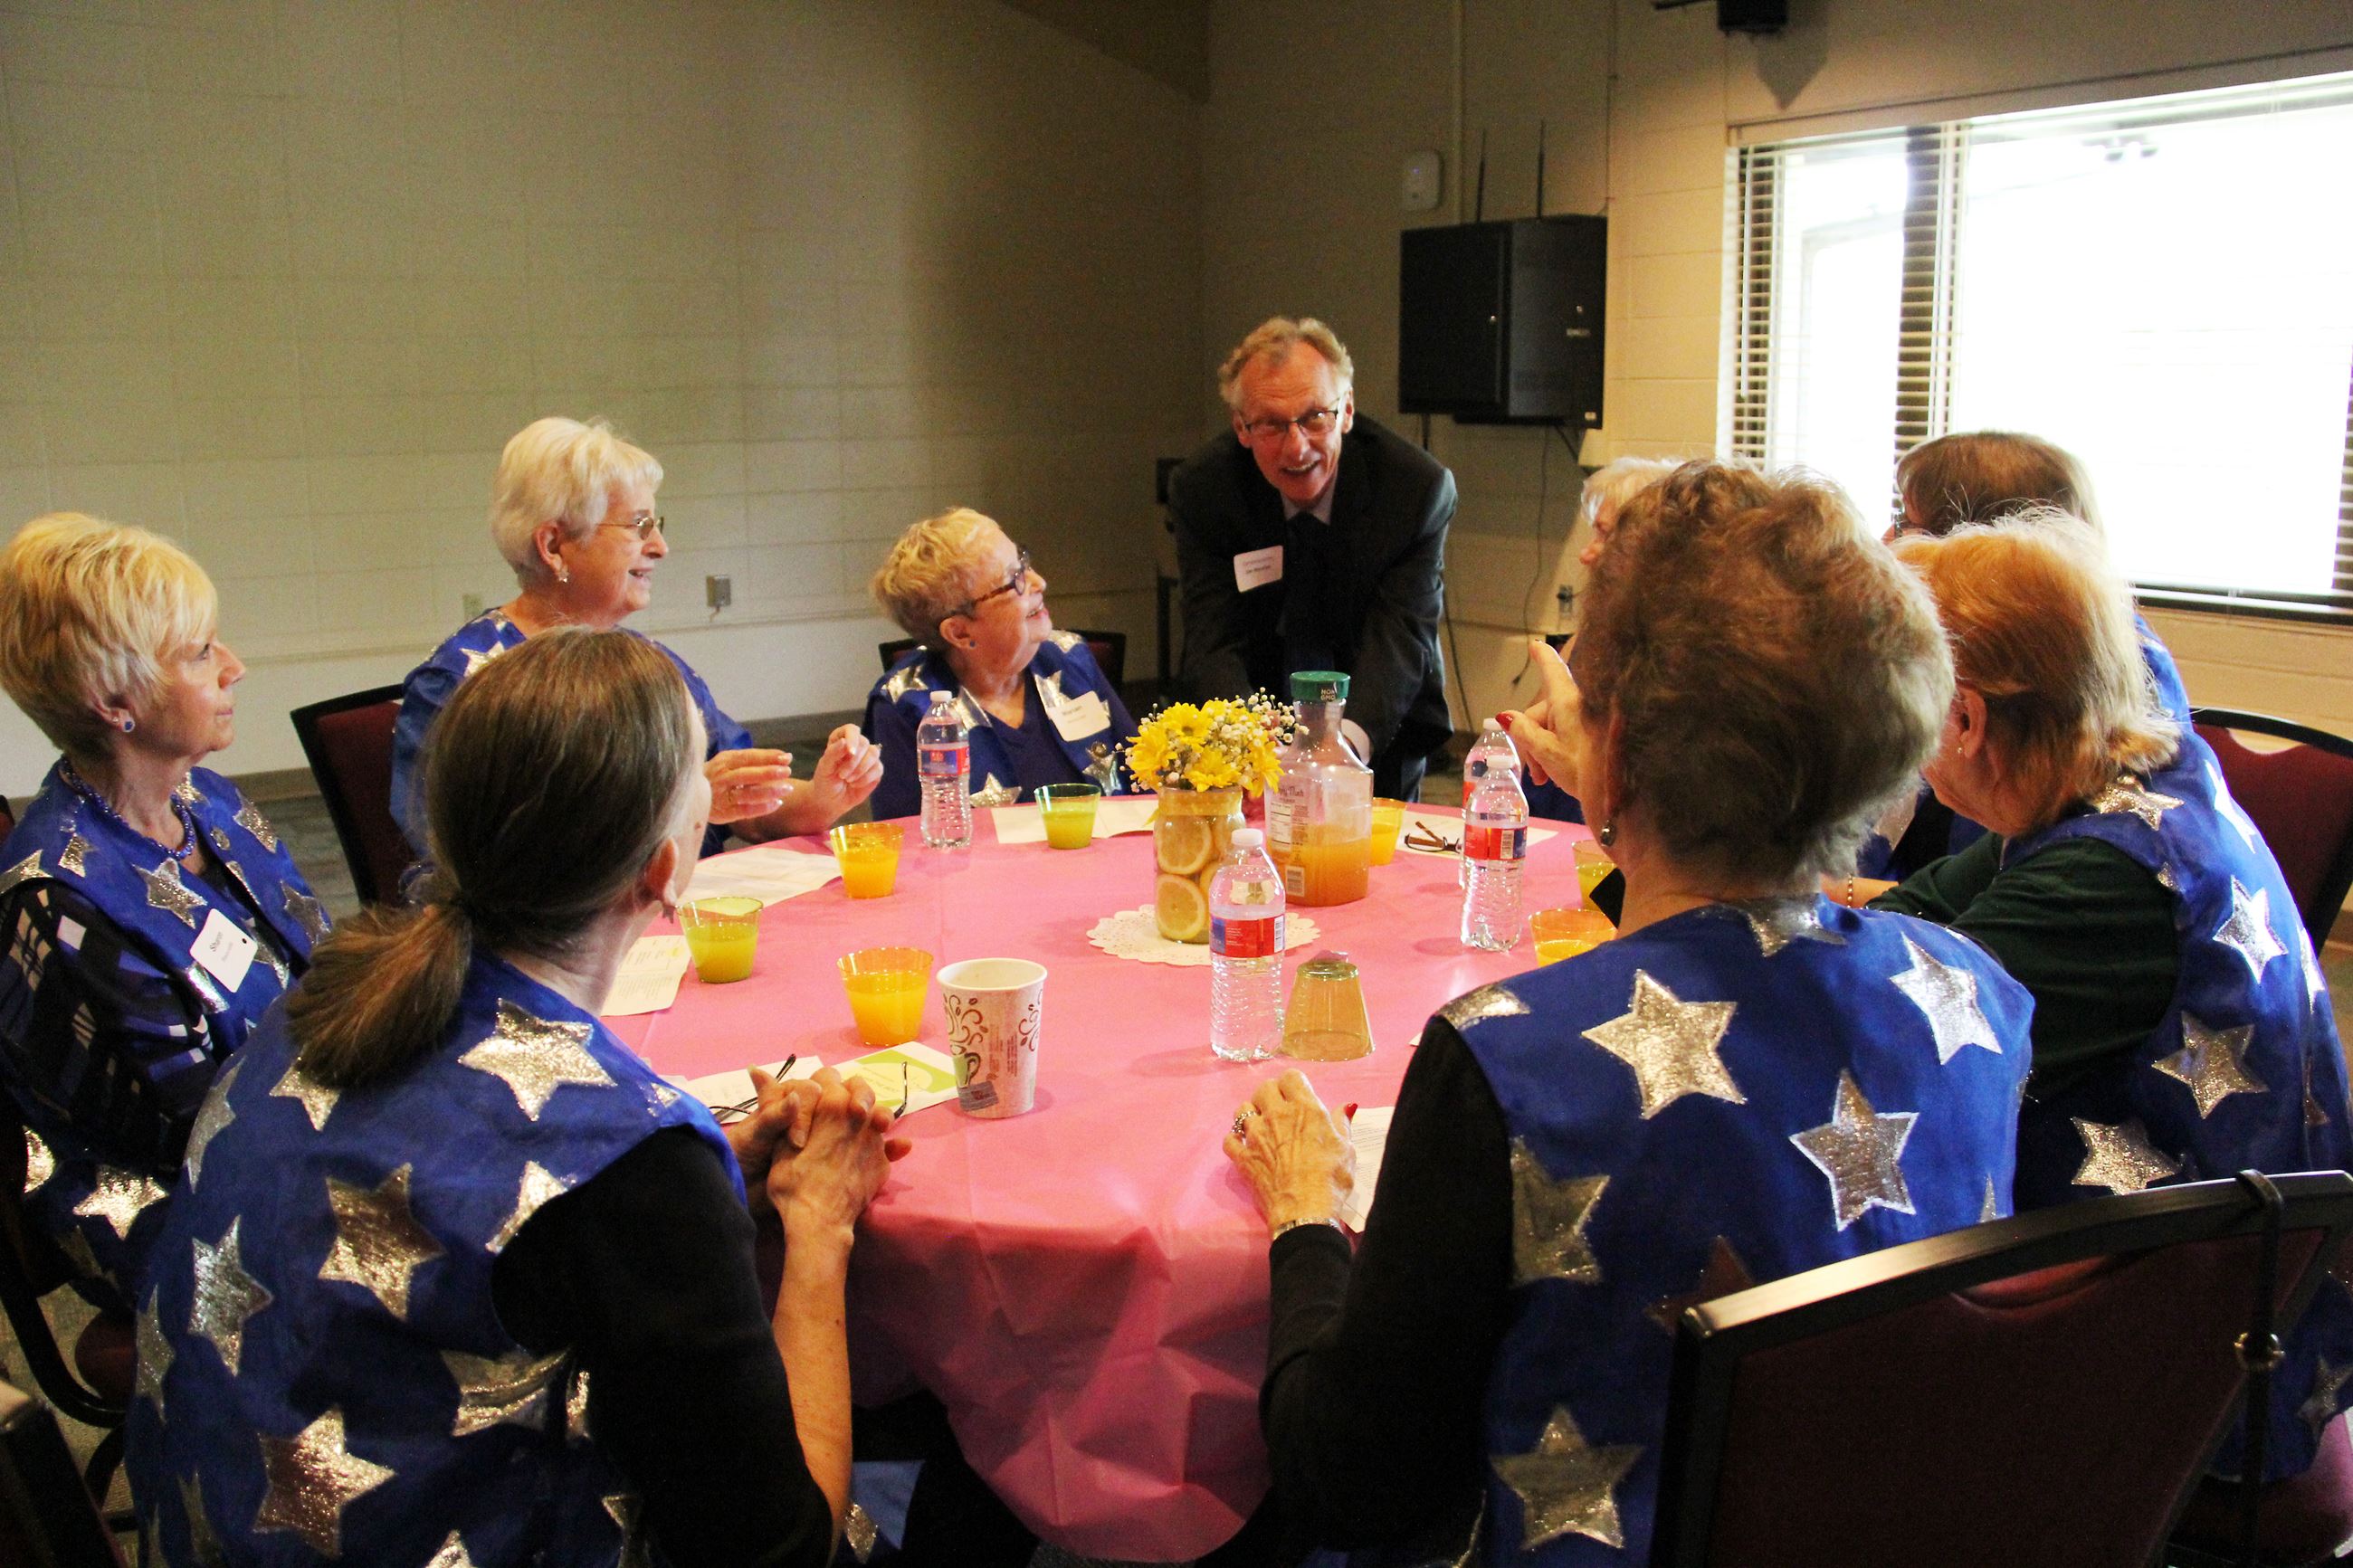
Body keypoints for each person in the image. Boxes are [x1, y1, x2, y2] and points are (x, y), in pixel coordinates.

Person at [1224, 463, 2033, 1564]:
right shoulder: (1977, 989)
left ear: (1611, 756)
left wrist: (1300, 1215)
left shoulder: (1506, 1058)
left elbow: (1359, 1486)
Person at [128, 629, 907, 1566]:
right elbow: (777, 1549)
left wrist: (715, 1158)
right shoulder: (632, 1156)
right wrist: (818, 1219)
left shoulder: (323, 996)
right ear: (662, 869)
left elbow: (485, 1201)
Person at [1859, 517, 2353, 1482]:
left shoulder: (2107, 879)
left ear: (1959, 718)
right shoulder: (2113, 775)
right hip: (2193, 1278)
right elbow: (1916, 915)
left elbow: (1872, 1027)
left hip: (2189, 1357)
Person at [0, 514, 326, 1306]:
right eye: (200, 652)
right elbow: (210, 1136)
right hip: (194, 1218)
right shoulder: (64, 904)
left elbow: (328, 976)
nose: (235, 667)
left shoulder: (208, 804)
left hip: (309, 1132)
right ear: (116, 701)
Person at [392, 416, 881, 860]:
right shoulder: (463, 686)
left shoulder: (649, 665)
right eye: (638, 525)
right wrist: (678, 805)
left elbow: (741, 802)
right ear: (554, 546)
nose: (660, 547)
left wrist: (821, 797)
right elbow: (477, 864)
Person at [1861, 430, 2191, 879]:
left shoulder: (2055, 671)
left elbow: (1990, 888)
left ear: (1978, 542)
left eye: (1906, 523)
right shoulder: (1986, 642)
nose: (1885, 539)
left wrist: (1835, 899)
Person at [1169, 317, 1455, 799]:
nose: (1297, 446)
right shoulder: (1206, 490)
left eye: (1314, 417)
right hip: (1256, 716)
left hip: (1377, 719)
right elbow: (1212, 637)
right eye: (1272, 425)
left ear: (1346, 411)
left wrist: (1342, 750)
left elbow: (1399, 637)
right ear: (1242, 427)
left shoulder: (1413, 489)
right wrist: (1247, 746)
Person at [864, 507, 1134, 817]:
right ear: (960, 632)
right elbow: (904, 843)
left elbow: (1143, 783)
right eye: (1013, 580)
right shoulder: (906, 706)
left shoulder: (1069, 658)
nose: (1039, 582)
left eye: (1024, 564)